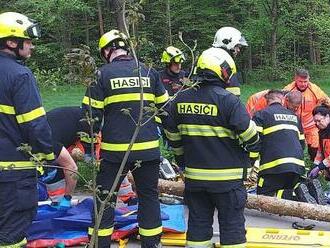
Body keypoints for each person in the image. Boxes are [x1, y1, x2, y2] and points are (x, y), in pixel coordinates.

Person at [164, 48, 259, 248]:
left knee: (198, 226)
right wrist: (252, 155)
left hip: (195, 179)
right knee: (232, 228)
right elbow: (250, 136)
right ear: (222, 72)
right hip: (228, 181)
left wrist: (182, 160)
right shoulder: (228, 101)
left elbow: (172, 136)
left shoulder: (179, 99)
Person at [82, 29, 169, 247]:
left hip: (115, 152)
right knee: (148, 196)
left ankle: (100, 243)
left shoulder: (101, 75)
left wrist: (88, 149)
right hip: (149, 150)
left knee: (105, 197)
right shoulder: (149, 72)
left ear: (106, 51)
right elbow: (166, 108)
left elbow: (89, 117)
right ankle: (151, 243)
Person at [0, 12, 55, 246]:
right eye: (28, 41)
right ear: (12, 42)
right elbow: (35, 124)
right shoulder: (20, 75)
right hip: (14, 171)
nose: (31, 46)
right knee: (11, 235)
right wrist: (47, 156)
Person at [252, 90, 316, 202]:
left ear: (267, 101)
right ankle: (296, 193)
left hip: (273, 167)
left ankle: (296, 195)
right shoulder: (294, 117)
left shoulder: (261, 115)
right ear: (282, 100)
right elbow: (302, 144)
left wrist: (250, 162)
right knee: (285, 196)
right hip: (297, 166)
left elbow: (254, 141)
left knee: (263, 197)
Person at [284, 69, 330, 161]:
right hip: (293, 124)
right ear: (295, 79)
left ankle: (316, 166)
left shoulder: (314, 89)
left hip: (311, 125)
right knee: (292, 147)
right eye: (300, 81)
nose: (303, 84)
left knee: (315, 146)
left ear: (309, 79)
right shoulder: (288, 90)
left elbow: (326, 101)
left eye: (305, 81)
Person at [212, 26, 248, 97]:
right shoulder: (226, 63)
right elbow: (234, 97)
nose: (238, 50)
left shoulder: (205, 57)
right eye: (237, 46)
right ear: (228, 42)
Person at [309, 104, 330, 181]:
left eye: (319, 121)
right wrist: (315, 165)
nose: (317, 124)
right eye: (315, 121)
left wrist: (319, 167)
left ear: (327, 117)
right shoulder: (322, 132)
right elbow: (320, 152)